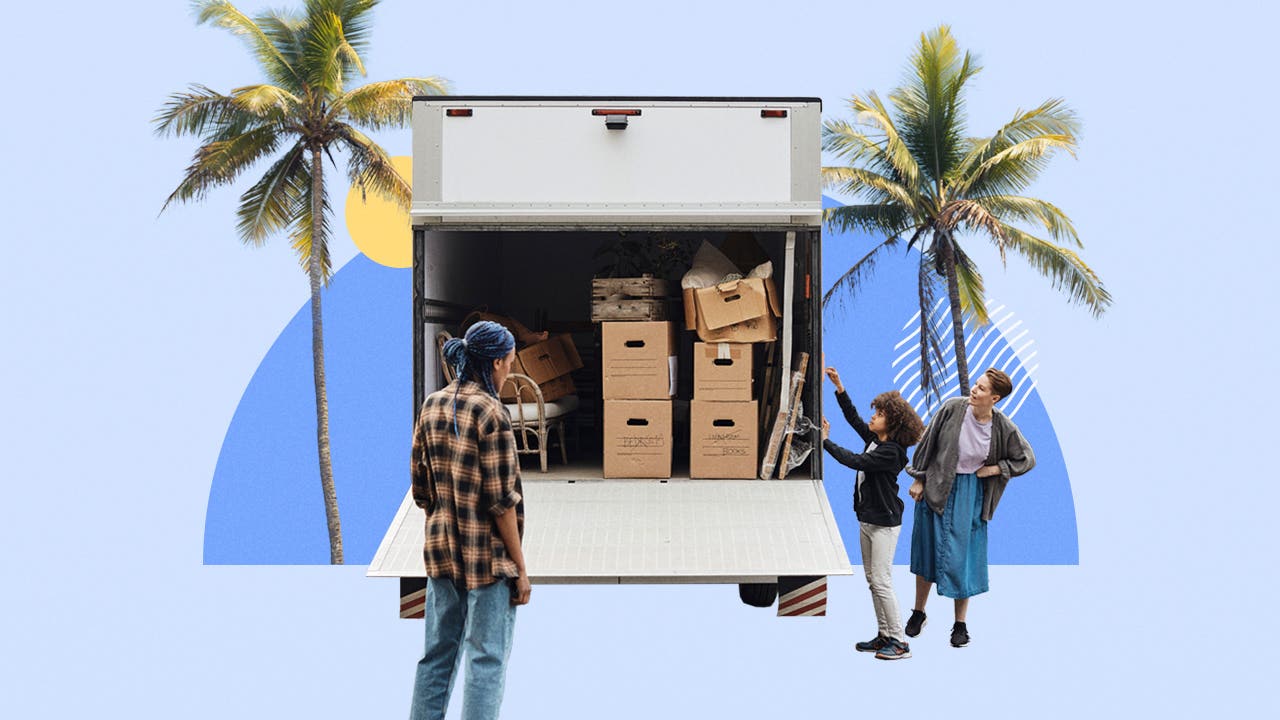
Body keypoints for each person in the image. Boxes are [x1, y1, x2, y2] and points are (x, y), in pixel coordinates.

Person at [409, 320, 531, 720]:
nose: (511, 370)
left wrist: (449, 517)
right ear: (496, 362)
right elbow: (501, 502)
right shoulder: (492, 413)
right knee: (487, 659)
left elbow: (421, 490)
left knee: (436, 656)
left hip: (441, 554)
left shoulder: (431, 405)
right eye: (510, 362)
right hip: (488, 561)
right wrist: (521, 568)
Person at [904, 368, 1035, 648]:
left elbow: (1026, 458)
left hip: (969, 493)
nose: (974, 390)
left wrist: (996, 469)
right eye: (975, 385)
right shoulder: (952, 408)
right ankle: (918, 612)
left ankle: (960, 624)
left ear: (995, 397)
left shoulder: (1002, 426)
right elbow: (927, 444)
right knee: (928, 549)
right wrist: (918, 478)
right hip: (937, 485)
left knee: (963, 557)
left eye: (982, 388)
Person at [822, 366, 925, 661]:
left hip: (883, 524)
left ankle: (900, 641)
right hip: (868, 519)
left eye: (879, 414)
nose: (873, 417)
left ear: (891, 424)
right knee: (872, 579)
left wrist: (825, 442)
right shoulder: (876, 440)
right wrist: (839, 388)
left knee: (881, 580)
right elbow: (854, 418)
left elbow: (855, 461)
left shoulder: (891, 452)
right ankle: (884, 636)